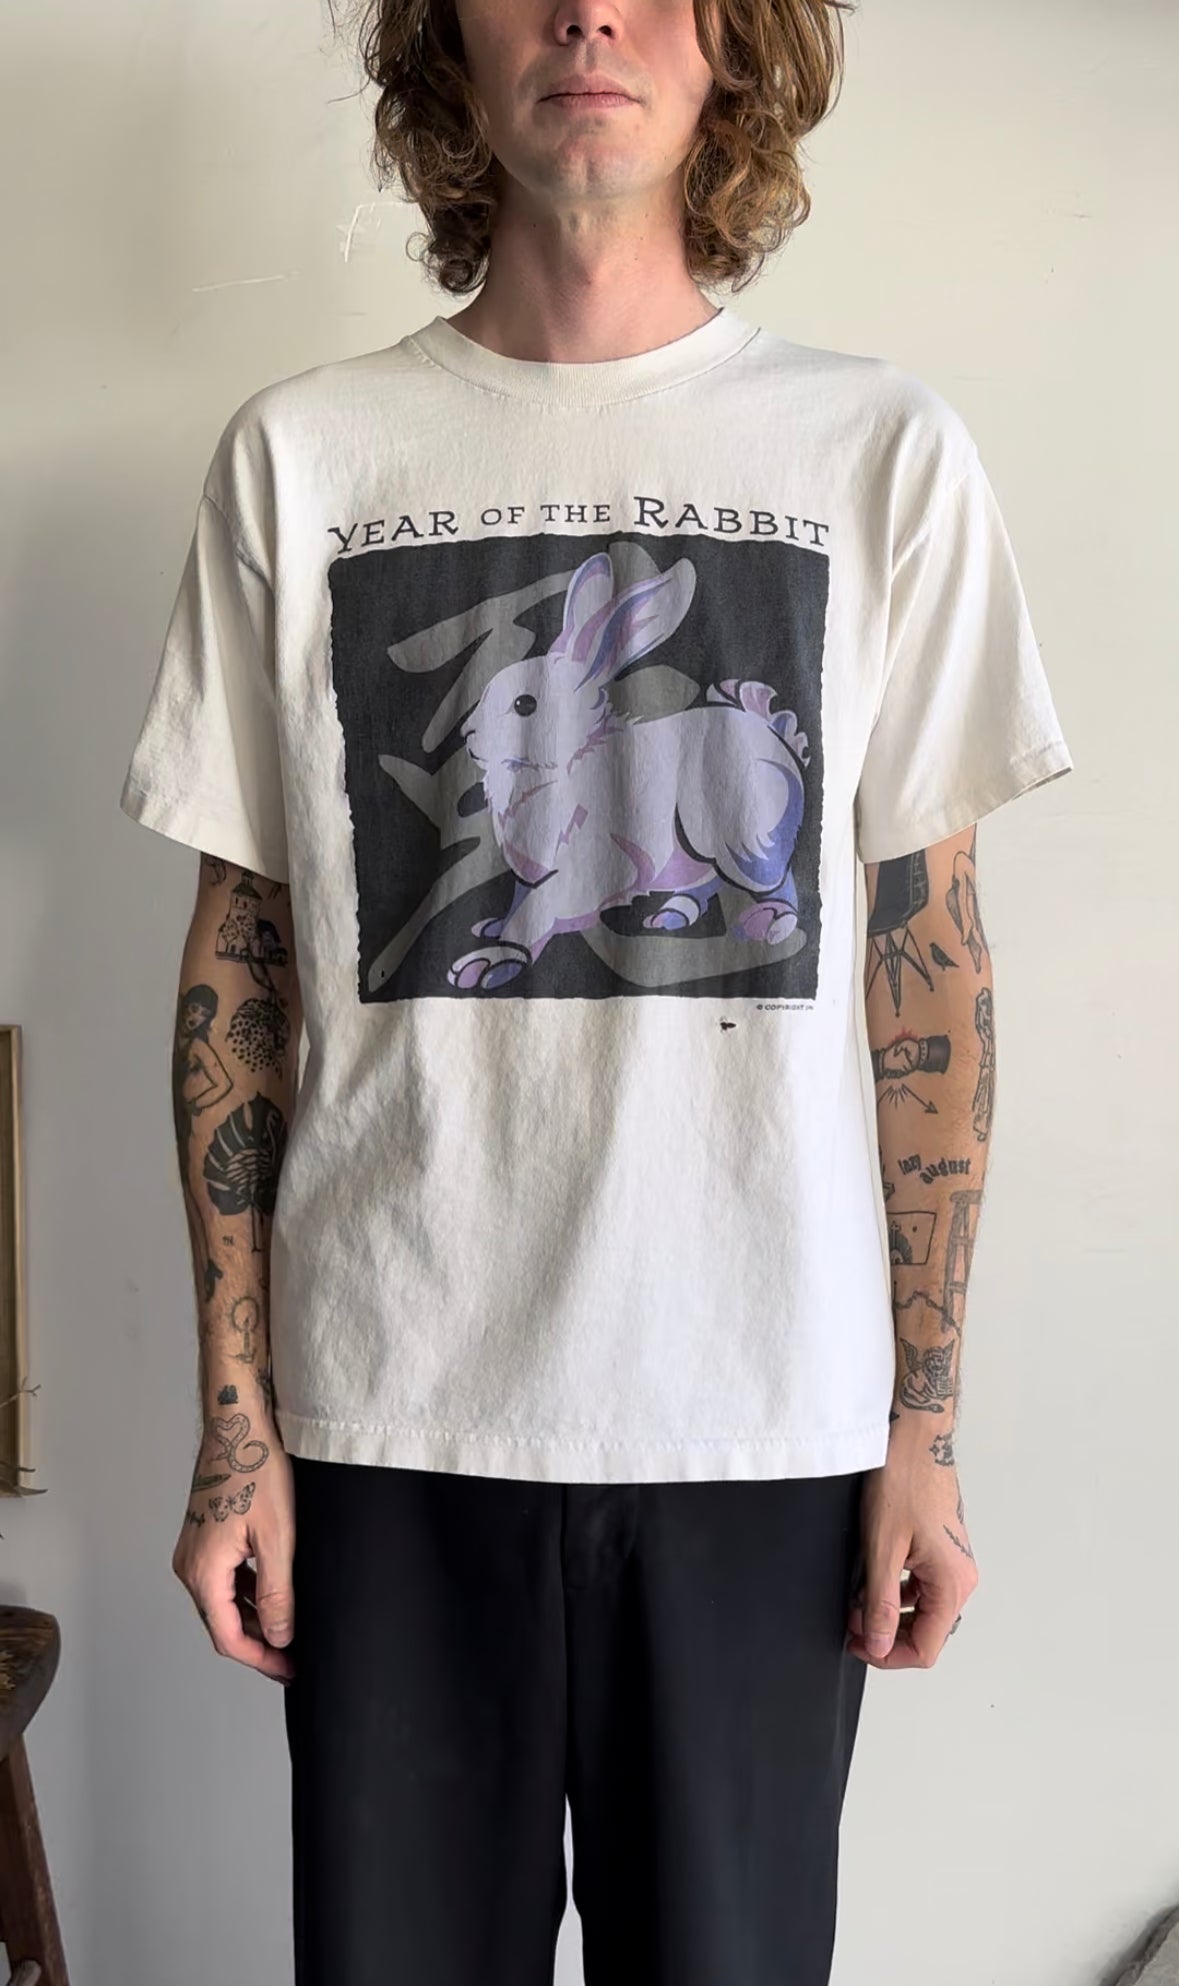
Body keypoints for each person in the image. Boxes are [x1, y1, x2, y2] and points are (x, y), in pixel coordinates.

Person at [118, 1, 1074, 1981]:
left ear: (733, 48)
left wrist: (922, 1426)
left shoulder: (876, 452)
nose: (586, 13)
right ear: (443, 47)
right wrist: (237, 1427)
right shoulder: (303, 456)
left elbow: (930, 967)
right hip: (390, 1415)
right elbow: (245, 953)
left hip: (761, 1424)